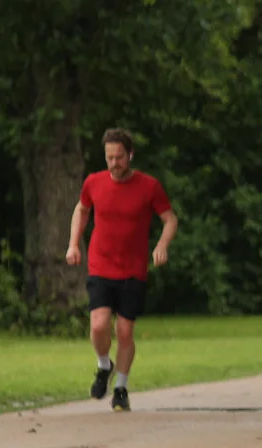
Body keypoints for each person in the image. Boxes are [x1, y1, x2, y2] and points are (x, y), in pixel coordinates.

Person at [65, 128, 178, 412]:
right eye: (109, 158)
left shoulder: (149, 186)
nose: (113, 163)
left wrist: (162, 245)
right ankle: (104, 366)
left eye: (119, 158)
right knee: (99, 324)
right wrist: (73, 244)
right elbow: (81, 210)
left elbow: (170, 219)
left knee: (125, 332)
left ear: (130, 155)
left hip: (133, 268)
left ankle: (121, 388)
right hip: (101, 263)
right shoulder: (94, 182)